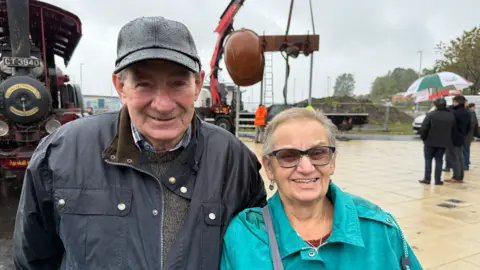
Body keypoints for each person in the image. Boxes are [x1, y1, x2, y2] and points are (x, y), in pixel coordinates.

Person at [12, 16, 267, 270]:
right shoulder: (60, 154)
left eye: (178, 84)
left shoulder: (234, 161)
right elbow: (33, 260)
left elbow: (260, 254)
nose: (163, 105)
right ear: (120, 86)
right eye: (144, 84)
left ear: (198, 84)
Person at [220, 108, 422, 269]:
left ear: (332, 161)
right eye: (288, 156)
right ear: (269, 168)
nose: (306, 168)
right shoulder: (245, 235)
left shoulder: (380, 229)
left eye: (318, 153)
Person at [418, 98, 456, 185]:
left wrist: (424, 138)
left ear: (435, 105)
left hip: (430, 142)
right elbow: (453, 130)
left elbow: (424, 128)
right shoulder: (450, 116)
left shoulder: (431, 115)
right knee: (439, 160)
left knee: (428, 160)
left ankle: (427, 179)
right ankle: (437, 180)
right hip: (443, 142)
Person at [445, 95, 471, 183]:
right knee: (460, 157)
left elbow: (451, 125)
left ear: (456, 102)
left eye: (454, 101)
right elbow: (469, 126)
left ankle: (456, 177)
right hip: (462, 137)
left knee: (454, 158)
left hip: (454, 138)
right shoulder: (467, 112)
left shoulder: (455, 113)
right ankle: (460, 176)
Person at [464, 103, 478, 170]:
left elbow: (473, 123)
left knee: (466, 149)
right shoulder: (468, 111)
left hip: (467, 134)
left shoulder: (470, 112)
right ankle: (465, 163)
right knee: (464, 150)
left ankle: (466, 165)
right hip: (467, 134)